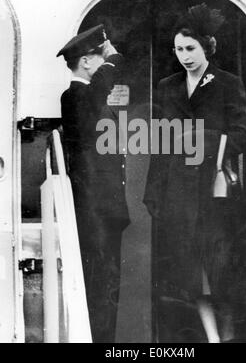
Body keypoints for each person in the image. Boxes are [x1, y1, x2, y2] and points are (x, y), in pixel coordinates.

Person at [144, 4, 246, 343]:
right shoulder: (167, 86)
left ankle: (230, 333)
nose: (184, 56)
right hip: (178, 193)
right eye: (179, 49)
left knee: (220, 273)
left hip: (214, 192)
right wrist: (154, 192)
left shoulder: (226, 83)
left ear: (207, 47)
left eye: (191, 48)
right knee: (192, 277)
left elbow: (243, 132)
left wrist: (210, 146)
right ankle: (213, 338)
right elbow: (160, 141)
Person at [57, 24, 130, 342]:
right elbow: (109, 75)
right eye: (99, 56)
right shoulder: (75, 96)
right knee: (102, 287)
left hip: (103, 212)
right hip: (95, 214)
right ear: (86, 61)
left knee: (107, 286)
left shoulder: (86, 98)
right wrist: (114, 57)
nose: (105, 62)